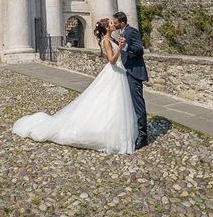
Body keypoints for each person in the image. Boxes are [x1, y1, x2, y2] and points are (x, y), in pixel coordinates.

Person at [12, 18, 138, 154]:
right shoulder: (106, 41)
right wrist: (119, 48)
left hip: (118, 74)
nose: (114, 24)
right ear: (107, 28)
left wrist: (120, 46)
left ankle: (115, 130)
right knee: (108, 102)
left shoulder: (111, 39)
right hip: (114, 72)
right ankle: (106, 132)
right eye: (111, 23)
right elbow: (112, 61)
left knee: (113, 103)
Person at [112, 11, 149, 150]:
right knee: (130, 104)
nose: (113, 24)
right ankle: (135, 131)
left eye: (115, 22)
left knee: (138, 104)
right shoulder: (122, 32)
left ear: (121, 22)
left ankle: (143, 136)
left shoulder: (132, 31)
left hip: (134, 73)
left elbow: (139, 49)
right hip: (127, 71)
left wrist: (126, 47)